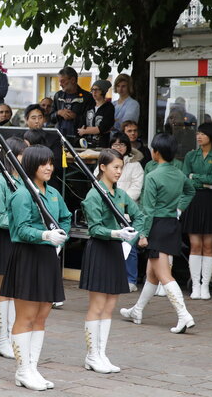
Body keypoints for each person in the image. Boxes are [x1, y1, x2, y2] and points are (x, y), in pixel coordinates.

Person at [0, 145, 71, 391]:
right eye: (43, 163)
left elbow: (66, 217)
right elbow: (19, 229)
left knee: (42, 316)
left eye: (51, 162)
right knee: (26, 316)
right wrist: (44, 235)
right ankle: (22, 370)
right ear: (31, 166)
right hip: (28, 257)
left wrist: (62, 236)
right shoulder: (21, 194)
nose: (49, 167)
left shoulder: (52, 192)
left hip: (48, 256)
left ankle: (33, 367)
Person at [120, 133, 196, 334]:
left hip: (156, 227)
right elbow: (190, 191)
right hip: (171, 224)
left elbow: (148, 210)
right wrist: (179, 209)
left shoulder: (153, 176)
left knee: (163, 274)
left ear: (156, 153)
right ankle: (137, 310)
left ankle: (184, 315)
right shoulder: (179, 174)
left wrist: (143, 234)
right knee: (152, 274)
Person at [81, 149, 142, 374]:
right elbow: (95, 228)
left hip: (117, 251)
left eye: (121, 167)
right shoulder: (94, 195)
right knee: (97, 306)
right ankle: (91, 355)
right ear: (103, 167)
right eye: (115, 167)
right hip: (100, 249)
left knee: (110, 306)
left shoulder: (120, 194)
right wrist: (117, 234)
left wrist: (133, 237)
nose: (119, 171)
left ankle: (101, 353)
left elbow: (140, 216)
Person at [0, 137, 27, 360]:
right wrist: (22, 224)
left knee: (16, 290)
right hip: (3, 238)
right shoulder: (1, 181)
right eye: (23, 153)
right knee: (3, 291)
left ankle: (13, 335)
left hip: (20, 239)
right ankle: (1, 340)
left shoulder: (25, 179)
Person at [180, 123, 212, 300]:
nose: (199, 136)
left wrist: (194, 177)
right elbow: (185, 178)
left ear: (211, 137)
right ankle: (196, 285)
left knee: (208, 246)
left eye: (203, 134)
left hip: (211, 202)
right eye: (198, 133)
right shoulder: (191, 155)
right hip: (193, 200)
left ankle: (205, 285)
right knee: (195, 245)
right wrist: (201, 181)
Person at [104, 132, 145, 291]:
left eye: (121, 144)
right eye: (115, 144)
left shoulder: (135, 164)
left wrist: (121, 202)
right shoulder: (104, 163)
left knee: (129, 246)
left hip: (127, 211)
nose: (118, 147)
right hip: (107, 210)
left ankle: (130, 279)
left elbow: (137, 188)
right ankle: (111, 277)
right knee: (110, 246)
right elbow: (98, 182)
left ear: (127, 146)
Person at [51, 67, 92, 137]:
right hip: (59, 137)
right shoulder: (58, 95)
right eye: (59, 81)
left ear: (73, 80)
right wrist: (59, 113)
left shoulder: (87, 97)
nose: (60, 84)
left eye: (63, 81)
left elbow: (90, 121)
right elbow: (50, 117)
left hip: (79, 138)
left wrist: (75, 117)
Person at [78, 80, 114, 148]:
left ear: (103, 91)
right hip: (86, 144)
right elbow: (81, 125)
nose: (94, 92)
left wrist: (85, 130)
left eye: (97, 90)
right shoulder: (89, 106)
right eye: (92, 90)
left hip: (102, 145)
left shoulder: (109, 107)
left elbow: (103, 128)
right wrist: (94, 130)